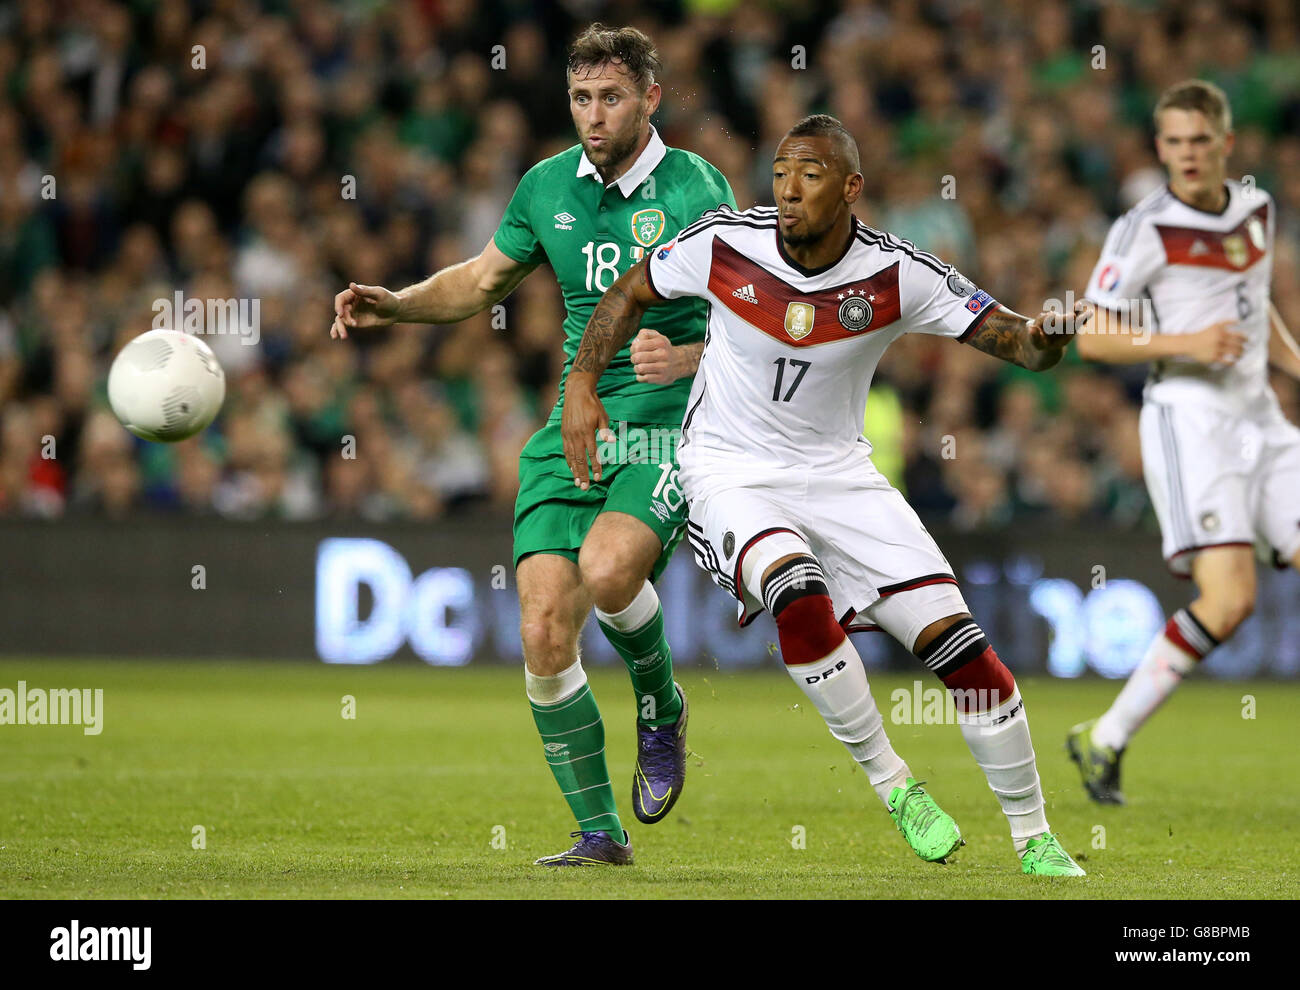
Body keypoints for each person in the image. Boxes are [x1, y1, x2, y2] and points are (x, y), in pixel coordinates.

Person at [561, 114, 1089, 876]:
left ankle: (1036, 838)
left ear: (850, 188)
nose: (788, 191)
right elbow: (626, 292)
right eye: (779, 173)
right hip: (731, 471)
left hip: (842, 476)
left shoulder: (897, 272)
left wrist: (1050, 335)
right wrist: (582, 381)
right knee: (796, 590)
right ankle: (895, 783)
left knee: (965, 652)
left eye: (809, 176)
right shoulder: (723, 242)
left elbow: (1012, 339)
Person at [331, 24, 736, 865]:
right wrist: (397, 304)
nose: (594, 115)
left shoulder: (700, 189)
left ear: (650, 99)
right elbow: (479, 282)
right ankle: (600, 835)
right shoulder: (546, 185)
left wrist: (691, 354)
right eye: (582, 98)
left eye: (612, 97)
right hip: (573, 420)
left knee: (608, 570)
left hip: (667, 420)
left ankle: (661, 706)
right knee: (546, 623)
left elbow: (763, 318)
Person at [1068, 80, 1300, 804]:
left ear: (1226, 144)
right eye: (1173, 142)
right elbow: (1094, 337)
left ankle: (1101, 740)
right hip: (1187, 415)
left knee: (1240, 598)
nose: (1188, 154)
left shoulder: (1257, 213)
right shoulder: (1143, 229)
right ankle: (1104, 738)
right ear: (1160, 148)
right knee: (1228, 601)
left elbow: (1256, 310)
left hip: (1260, 416)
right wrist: (1187, 342)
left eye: (1200, 140)